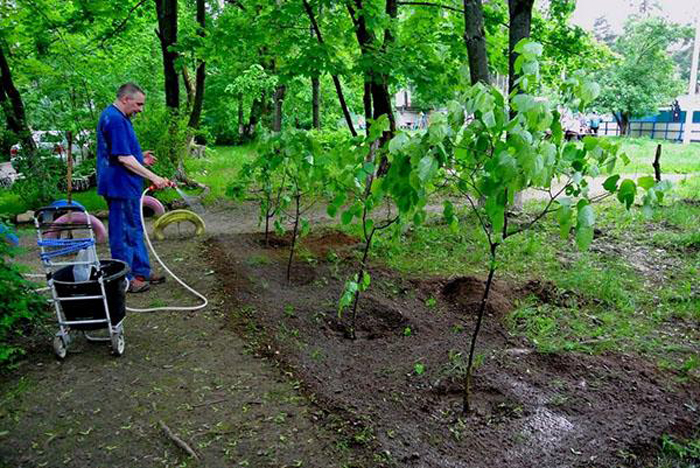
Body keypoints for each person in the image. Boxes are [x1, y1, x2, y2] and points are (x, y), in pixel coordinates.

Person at [96, 83, 174, 293]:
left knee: (135, 229)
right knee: (122, 234)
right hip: (118, 186)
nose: (141, 108)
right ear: (125, 99)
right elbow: (123, 158)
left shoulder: (121, 118)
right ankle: (125, 279)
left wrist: (141, 159)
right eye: (138, 104)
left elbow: (124, 154)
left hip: (127, 185)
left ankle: (141, 270)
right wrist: (154, 177)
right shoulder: (114, 120)